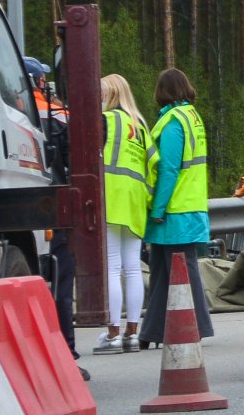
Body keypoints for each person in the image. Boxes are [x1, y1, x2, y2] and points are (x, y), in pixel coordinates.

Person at [138, 68, 214, 349]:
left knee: (176, 270)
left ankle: (191, 326)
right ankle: (153, 331)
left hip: (174, 209)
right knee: (163, 269)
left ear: (162, 92)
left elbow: (168, 170)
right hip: (190, 205)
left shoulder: (171, 123)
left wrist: (157, 209)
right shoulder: (192, 116)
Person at [25, 57, 85, 377]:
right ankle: (67, 352)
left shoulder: (12, 109)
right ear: (36, 81)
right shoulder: (59, 113)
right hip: (55, 204)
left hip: (20, 205)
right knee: (62, 277)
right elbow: (76, 163)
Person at [94, 74, 150, 355]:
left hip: (111, 197)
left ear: (111, 94)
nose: (99, 99)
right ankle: (132, 333)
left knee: (112, 266)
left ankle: (113, 333)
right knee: (132, 267)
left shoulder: (105, 121)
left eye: (102, 94)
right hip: (136, 200)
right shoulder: (140, 124)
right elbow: (154, 161)